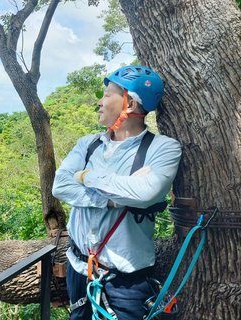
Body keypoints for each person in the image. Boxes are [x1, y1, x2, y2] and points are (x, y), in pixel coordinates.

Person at [52, 65, 182, 319]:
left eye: (107, 94)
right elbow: (60, 186)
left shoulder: (163, 149)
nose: (99, 102)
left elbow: (146, 194)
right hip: (79, 268)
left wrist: (85, 176)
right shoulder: (88, 144)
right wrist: (113, 199)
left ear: (130, 104)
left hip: (127, 279)